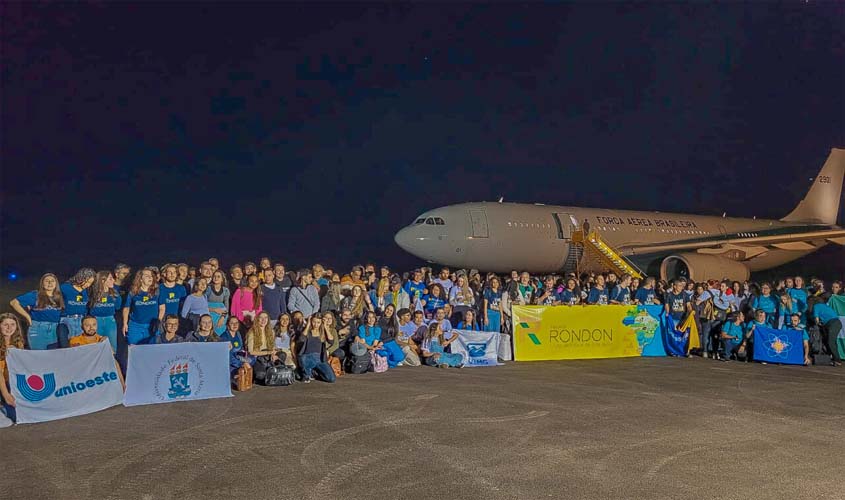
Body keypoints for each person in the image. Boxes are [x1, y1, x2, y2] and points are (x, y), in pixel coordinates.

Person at [10, 273, 63, 350]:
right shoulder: (35, 295)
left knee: (53, 357)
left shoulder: (60, 297)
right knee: (38, 355)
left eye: (52, 281)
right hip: (38, 328)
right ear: (42, 283)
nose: (50, 283)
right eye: (47, 281)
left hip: (56, 329)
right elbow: (14, 303)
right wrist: (27, 317)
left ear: (56, 283)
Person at [58, 268, 97, 347]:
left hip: (81, 321)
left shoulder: (88, 291)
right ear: (81, 277)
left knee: (81, 346)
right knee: (67, 345)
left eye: (91, 283)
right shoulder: (65, 288)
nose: (88, 285)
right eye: (87, 281)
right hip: (66, 319)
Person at [122, 269, 160, 345]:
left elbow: (162, 308)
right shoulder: (133, 292)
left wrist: (158, 321)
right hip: (136, 325)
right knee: (134, 348)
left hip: (152, 326)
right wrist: (125, 323)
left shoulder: (157, 291)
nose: (150, 278)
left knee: (151, 349)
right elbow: (126, 308)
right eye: (147, 276)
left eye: (151, 276)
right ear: (140, 279)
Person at [87, 271, 121, 353]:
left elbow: (118, 307)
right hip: (96, 321)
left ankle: (112, 363)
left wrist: (117, 297)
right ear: (102, 280)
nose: (113, 280)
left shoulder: (114, 294)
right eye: (110, 279)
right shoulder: (92, 293)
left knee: (112, 346)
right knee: (96, 345)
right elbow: (88, 308)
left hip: (110, 320)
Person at [1, 313, 26, 422]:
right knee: (14, 417)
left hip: (11, 381)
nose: (9, 328)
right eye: (5, 324)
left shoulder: (18, 342)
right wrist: (6, 395)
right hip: (2, 382)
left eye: (12, 324)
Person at [296, 315, 336, 383]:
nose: (316, 324)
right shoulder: (307, 331)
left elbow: (331, 341)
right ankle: (307, 373)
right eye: (314, 322)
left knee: (331, 379)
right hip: (307, 357)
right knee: (304, 361)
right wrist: (308, 324)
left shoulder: (322, 332)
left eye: (318, 322)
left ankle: (315, 372)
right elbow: (301, 339)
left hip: (319, 358)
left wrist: (325, 326)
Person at [812, 302, 843, 366]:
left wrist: (817, 323)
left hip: (832, 323)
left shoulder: (816, 306)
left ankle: (837, 360)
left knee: (830, 342)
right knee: (831, 342)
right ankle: (832, 358)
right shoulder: (823, 306)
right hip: (834, 323)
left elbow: (816, 319)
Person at [206, 270, 230, 335]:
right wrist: (214, 310)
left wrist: (222, 317)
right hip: (209, 313)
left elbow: (226, 307)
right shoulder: (208, 289)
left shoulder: (226, 290)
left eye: (218, 276)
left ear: (222, 279)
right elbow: (203, 305)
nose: (216, 278)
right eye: (214, 276)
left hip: (221, 315)